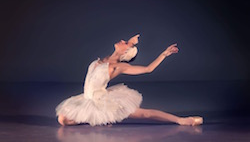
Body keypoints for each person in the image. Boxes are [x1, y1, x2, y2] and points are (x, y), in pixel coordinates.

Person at [56, 34, 203, 126]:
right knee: (63, 119)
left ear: (125, 52)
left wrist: (164, 54)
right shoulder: (105, 59)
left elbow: (148, 69)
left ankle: (182, 120)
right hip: (87, 99)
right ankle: (100, 119)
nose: (121, 40)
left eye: (124, 42)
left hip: (102, 101)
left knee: (145, 114)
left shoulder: (118, 66)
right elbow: (114, 56)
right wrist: (131, 43)